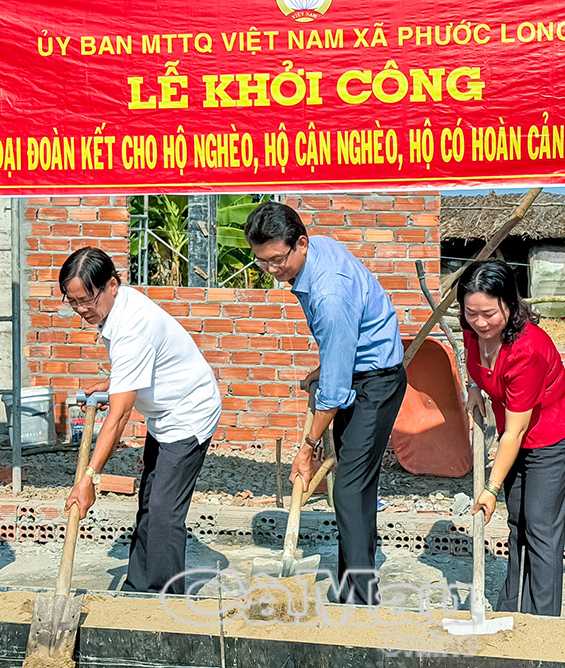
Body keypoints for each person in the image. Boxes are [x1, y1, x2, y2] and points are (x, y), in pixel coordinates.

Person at [244, 201, 407, 605]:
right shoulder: (315, 252)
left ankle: (360, 597)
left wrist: (307, 447)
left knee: (348, 489)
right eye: (263, 261)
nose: (272, 270)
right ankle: (355, 582)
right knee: (356, 485)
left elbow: (333, 394)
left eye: (278, 260)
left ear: (300, 243)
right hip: (356, 368)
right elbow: (343, 338)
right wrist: (330, 363)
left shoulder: (328, 291)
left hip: (376, 383)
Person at [59, 247, 221, 595]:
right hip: (165, 412)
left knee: (164, 510)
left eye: (87, 299)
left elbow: (118, 418)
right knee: (149, 500)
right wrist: (115, 382)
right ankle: (138, 587)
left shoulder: (133, 326)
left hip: (189, 413)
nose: (82, 309)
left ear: (112, 285)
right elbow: (145, 362)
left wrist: (89, 478)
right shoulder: (118, 309)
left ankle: (163, 597)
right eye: (73, 302)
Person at [464, 260, 565, 616]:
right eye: (471, 313)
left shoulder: (527, 349)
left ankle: (542, 621)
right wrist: (475, 388)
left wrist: (490, 487)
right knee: (518, 521)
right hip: (513, 435)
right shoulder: (473, 333)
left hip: (551, 437)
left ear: (509, 304)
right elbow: (477, 365)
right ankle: (512, 608)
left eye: (489, 313)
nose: (480, 323)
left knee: (541, 527)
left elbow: (516, 432)